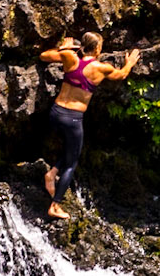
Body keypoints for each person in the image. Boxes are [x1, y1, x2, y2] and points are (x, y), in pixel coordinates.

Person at [38, 32, 141, 221]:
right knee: (72, 161)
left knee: (70, 148)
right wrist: (130, 63)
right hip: (73, 118)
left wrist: (64, 48)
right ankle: (55, 205)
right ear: (97, 49)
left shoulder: (69, 57)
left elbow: (44, 56)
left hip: (55, 113)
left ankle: (51, 174)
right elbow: (122, 75)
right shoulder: (101, 68)